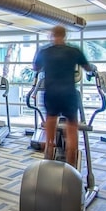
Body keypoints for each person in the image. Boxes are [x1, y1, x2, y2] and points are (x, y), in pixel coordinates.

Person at [33, 25, 94, 168]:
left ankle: (49, 148)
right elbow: (87, 67)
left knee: (51, 119)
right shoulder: (74, 51)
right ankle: (71, 158)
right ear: (65, 35)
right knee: (72, 125)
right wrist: (92, 70)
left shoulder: (45, 51)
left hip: (51, 92)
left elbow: (36, 67)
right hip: (69, 92)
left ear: (51, 35)